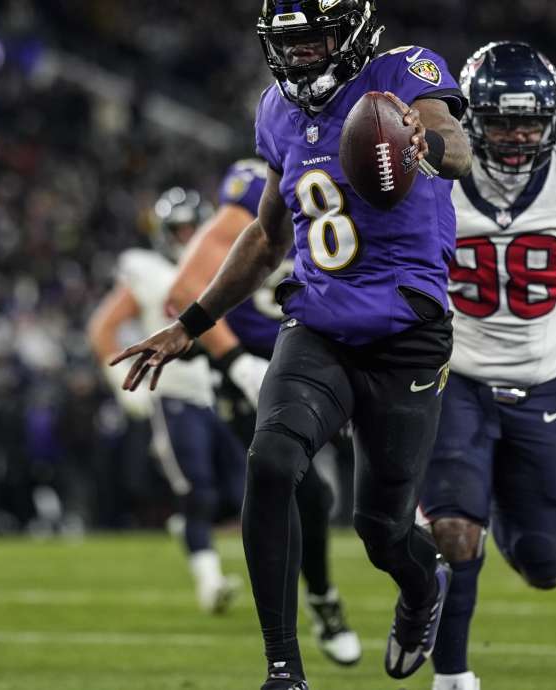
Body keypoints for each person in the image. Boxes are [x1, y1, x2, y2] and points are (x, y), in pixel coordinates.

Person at [110, 1, 472, 687]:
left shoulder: (405, 72)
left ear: (353, 32)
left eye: (316, 41)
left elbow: (456, 141)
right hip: (320, 323)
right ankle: (284, 670)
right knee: (272, 459)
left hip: (406, 335)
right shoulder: (277, 110)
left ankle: (422, 589)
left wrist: (429, 141)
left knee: (382, 531)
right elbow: (269, 236)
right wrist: (189, 324)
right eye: (291, 43)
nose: (302, 55)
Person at [418, 42, 556, 690]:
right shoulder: (432, 170)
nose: (516, 137)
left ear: (554, 120)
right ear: (470, 118)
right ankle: (452, 677)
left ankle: (483, 515)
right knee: (457, 531)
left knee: (547, 564)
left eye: (529, 123)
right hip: (454, 381)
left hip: (540, 389)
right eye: (503, 122)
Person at [165, 158, 361, 666]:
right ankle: (317, 606)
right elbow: (183, 292)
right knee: (305, 493)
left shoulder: (364, 165)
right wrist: (236, 362)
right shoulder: (259, 184)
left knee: (369, 482)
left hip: (321, 356)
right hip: (252, 373)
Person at [87, 187, 245, 615]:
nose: (188, 235)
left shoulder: (222, 261)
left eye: (195, 227)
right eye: (180, 228)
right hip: (170, 390)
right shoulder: (147, 268)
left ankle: (190, 531)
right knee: (197, 489)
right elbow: (103, 329)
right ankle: (210, 581)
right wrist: (121, 382)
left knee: (243, 491)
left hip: (217, 390)